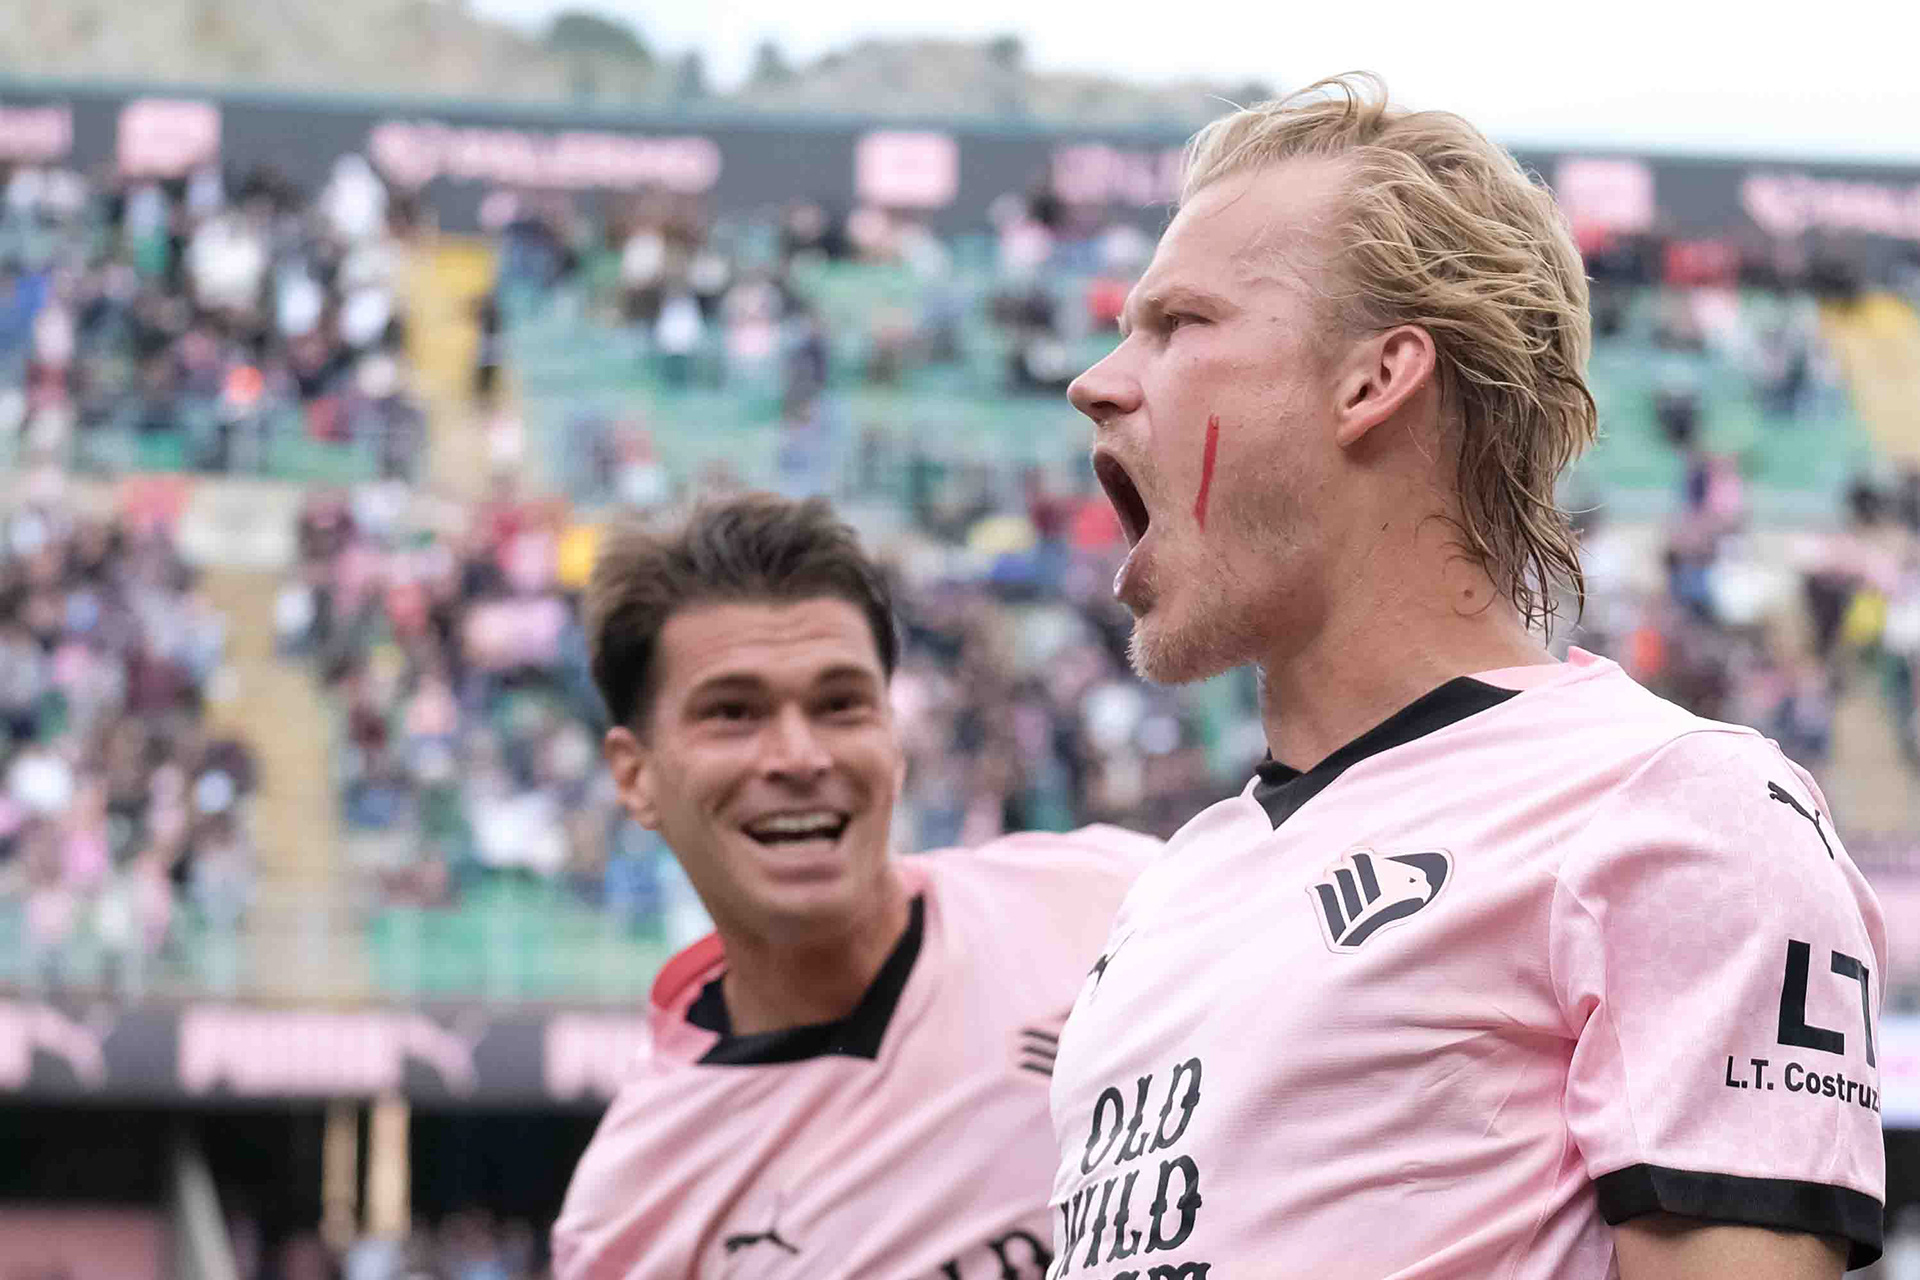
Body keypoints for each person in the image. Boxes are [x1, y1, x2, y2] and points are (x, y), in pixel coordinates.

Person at [1049, 74, 1884, 1280]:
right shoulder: (1173, 887)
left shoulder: (1673, 807)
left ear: (1374, 379)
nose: (1100, 378)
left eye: (1180, 325)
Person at [551, 493, 1156, 1278]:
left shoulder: (1117, 905)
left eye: (840, 705)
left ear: (894, 739)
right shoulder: (635, 1214)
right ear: (635, 778)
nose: (800, 756)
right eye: (733, 714)